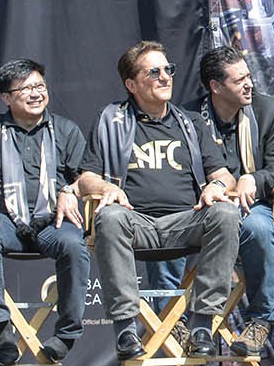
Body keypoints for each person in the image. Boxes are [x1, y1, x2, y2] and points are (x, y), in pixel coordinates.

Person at [76, 41, 241, 361]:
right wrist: (106, 187)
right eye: (154, 72)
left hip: (185, 222)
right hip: (135, 222)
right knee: (108, 217)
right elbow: (86, 178)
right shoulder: (110, 119)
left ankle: (201, 326)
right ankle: (126, 329)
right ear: (131, 84)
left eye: (169, 69)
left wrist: (216, 185)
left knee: (225, 212)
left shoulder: (191, 122)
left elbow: (224, 174)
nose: (166, 77)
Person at [150, 46, 274, 356]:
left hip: (250, 206)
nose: (249, 84)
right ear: (215, 86)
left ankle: (259, 322)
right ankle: (174, 320)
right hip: (203, 208)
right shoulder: (185, 118)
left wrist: (253, 179)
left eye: (249, 77)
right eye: (239, 80)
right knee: (163, 224)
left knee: (261, 230)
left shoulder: (268, 111)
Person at [0, 59, 89, 364]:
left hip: (53, 221)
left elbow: (86, 177)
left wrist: (70, 190)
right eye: (26, 88)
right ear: (7, 97)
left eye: (40, 86)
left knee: (74, 245)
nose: (36, 94)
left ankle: (66, 335)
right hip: (5, 221)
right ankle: (0, 327)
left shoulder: (65, 129)